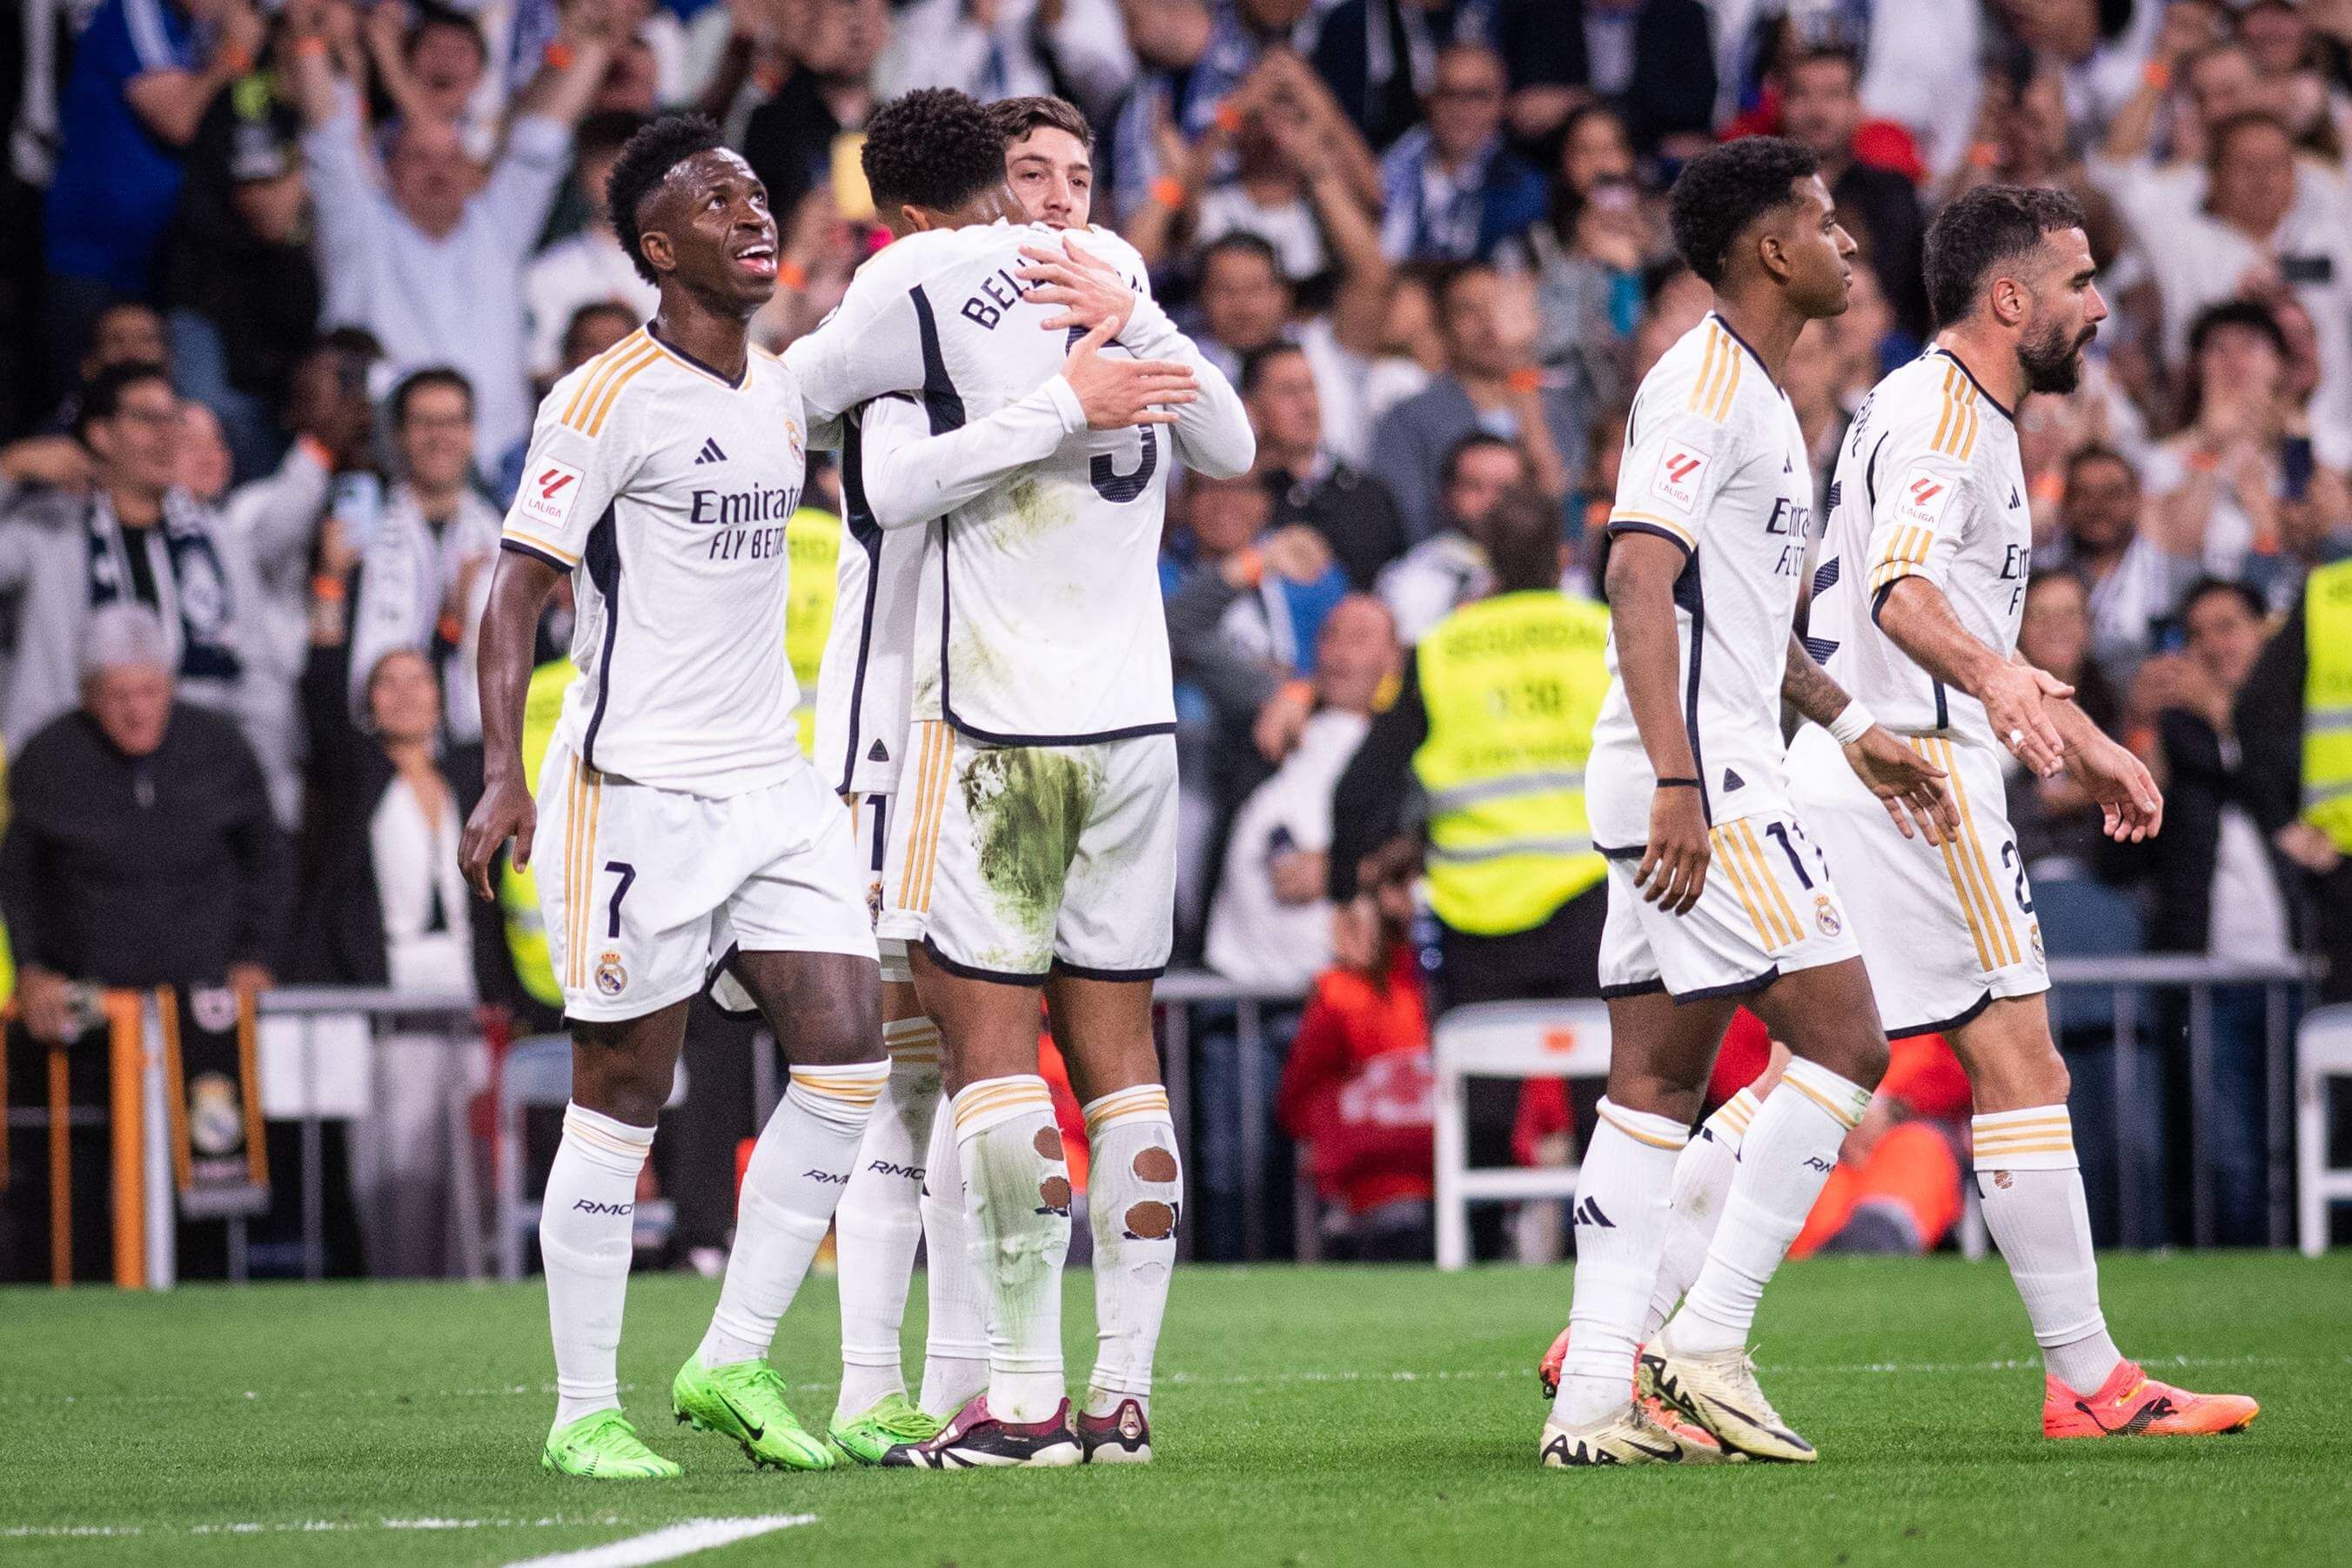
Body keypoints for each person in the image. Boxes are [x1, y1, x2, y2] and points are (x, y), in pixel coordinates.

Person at [785, 85, 1250, 1467]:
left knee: (983, 1065)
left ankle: (1025, 1400)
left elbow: (812, 428)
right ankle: (1123, 1397)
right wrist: (1122, 328)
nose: (1052, 198)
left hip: (985, 731)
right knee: (1122, 1073)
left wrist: (1056, 393)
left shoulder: (922, 274)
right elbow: (1229, 448)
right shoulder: (1119, 277)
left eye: (1073, 174)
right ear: (999, 179)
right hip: (1136, 734)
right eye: (1033, 173)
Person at [459, 112, 887, 1481]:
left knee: (847, 1053)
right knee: (623, 1093)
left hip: (773, 781)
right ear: (659, 248)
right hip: (633, 788)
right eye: (718, 202)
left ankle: (732, 1353)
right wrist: (499, 772)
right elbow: (517, 588)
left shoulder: (775, 391)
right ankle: (584, 1404)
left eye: (757, 195)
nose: (752, 215)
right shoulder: (601, 399)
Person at [1794, 184, 2258, 1439]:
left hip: (1860, 754)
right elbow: (1900, 594)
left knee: (1825, 1066)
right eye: (2078, 282)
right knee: (2017, 1059)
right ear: (2009, 298)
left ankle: (1624, 1321)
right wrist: (2001, 682)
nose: (2099, 308)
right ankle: (2089, 1382)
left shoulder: (1926, 402)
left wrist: (2087, 739)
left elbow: (1928, 607)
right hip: (1920, 776)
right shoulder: (1948, 416)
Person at [1543, 135, 1948, 1469]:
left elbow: (1734, 611)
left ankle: (1592, 1396)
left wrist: (1850, 722)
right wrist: (1676, 776)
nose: (1846, 244)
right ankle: (1706, 1338)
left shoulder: (1761, 395)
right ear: (1769, 249)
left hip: (1701, 762)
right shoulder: (1700, 387)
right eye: (1825, 224)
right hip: (1697, 779)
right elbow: (1635, 580)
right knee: (1844, 1045)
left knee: (1650, 1086)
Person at [286, 0, 619, 460]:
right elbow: (330, 144)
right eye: (419, 157)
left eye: (450, 158)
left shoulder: (498, 227)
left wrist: (590, 48)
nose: (438, 171)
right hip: (388, 468)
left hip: (499, 467)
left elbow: (540, 138)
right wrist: (307, 41)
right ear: (387, 168)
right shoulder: (359, 233)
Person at [0, 361, 296, 790]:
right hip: (68, 776)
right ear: (101, 434)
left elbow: (259, 673)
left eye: (173, 418)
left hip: (197, 782)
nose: (168, 434)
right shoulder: (48, 530)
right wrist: (8, 469)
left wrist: (269, 786)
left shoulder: (217, 539)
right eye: (146, 419)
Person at [2, 604, 287, 1034]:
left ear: (171, 685)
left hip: (208, 1010)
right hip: (88, 1016)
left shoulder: (221, 749)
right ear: (87, 694)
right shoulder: (48, 759)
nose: (138, 711)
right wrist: (32, 967)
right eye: (120, 696)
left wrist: (257, 955)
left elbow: (269, 862)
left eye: (151, 692)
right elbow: (20, 880)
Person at [2142, 578, 2298, 1244]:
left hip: (2297, 964)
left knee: (2301, 1134)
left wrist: (2225, 716)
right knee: (2226, 1151)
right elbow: (2138, 844)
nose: (2214, 644)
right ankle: (2246, 1276)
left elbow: (2276, 797)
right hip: (2205, 973)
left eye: (2228, 625)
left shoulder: (2294, 715)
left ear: (2263, 629)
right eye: (2198, 632)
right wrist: (2143, 734)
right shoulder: (2176, 729)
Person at [1204, 593, 1399, 989]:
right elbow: (1187, 636)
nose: (1340, 653)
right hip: (1232, 992)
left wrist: (1344, 873)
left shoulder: (1405, 748)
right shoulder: (1272, 727)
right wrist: (1297, 692)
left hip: (1338, 1000)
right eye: (1331, 636)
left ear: (1394, 659)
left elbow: (1428, 858)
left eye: (1359, 639)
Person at [347, 368, 502, 745]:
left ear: (471, 433)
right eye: (424, 423)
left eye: (452, 422)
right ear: (399, 435)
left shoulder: (504, 534)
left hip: (479, 749)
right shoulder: (360, 529)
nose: (439, 437)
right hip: (382, 750)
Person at [1246, 341, 1408, 592]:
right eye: (1288, 392)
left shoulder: (1368, 494)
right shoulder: (1237, 499)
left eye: (1310, 389)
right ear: (1250, 406)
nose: (1307, 407)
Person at [1375, 44, 1547, 265]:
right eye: (1449, 94)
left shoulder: (1527, 192)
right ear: (1429, 101)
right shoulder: (1385, 173)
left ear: (1502, 102)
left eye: (1478, 95)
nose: (1463, 108)